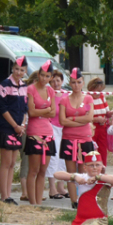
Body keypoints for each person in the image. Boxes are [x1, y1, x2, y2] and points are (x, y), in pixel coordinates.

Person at [54, 151, 113, 225]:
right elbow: (56, 174)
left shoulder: (104, 179)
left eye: (97, 165)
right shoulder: (82, 177)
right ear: (85, 167)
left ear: (102, 166)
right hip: (80, 220)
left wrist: (98, 177)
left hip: (98, 220)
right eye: (91, 165)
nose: (94, 168)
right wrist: (75, 177)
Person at [59, 68, 96, 209]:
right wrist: (80, 121)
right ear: (70, 83)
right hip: (69, 138)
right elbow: (62, 121)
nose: (76, 85)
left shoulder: (88, 98)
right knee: (71, 172)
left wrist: (72, 118)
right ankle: (74, 201)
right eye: (73, 82)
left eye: (78, 82)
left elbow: (89, 117)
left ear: (83, 83)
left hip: (85, 139)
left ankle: (83, 199)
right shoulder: (64, 99)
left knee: (83, 171)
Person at [0, 56, 28, 205]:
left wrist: (22, 125)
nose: (19, 72)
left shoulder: (24, 86)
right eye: (16, 69)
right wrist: (15, 125)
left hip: (18, 129)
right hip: (6, 128)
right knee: (6, 162)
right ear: (12, 69)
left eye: (22, 70)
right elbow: (2, 108)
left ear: (25, 71)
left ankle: (8, 195)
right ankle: (3, 196)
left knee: (13, 162)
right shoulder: (4, 85)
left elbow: (25, 109)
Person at [25, 60, 57, 205]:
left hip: (48, 132)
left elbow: (54, 113)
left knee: (43, 171)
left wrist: (41, 112)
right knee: (33, 170)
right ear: (38, 74)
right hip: (34, 132)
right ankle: (33, 203)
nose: (44, 78)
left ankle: (39, 203)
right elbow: (31, 112)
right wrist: (45, 111)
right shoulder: (31, 89)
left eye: (47, 76)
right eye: (42, 75)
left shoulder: (50, 90)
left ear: (51, 77)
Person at [47, 71, 69, 199]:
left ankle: (61, 186)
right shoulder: (49, 94)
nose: (56, 83)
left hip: (65, 128)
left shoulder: (67, 94)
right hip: (52, 127)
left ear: (62, 81)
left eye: (58, 80)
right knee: (53, 157)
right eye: (53, 81)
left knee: (63, 158)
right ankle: (52, 188)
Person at [87, 78, 112, 166]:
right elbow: (85, 116)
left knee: (103, 151)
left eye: (100, 91)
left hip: (102, 128)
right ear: (91, 88)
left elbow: (107, 112)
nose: (99, 93)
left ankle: (102, 173)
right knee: (92, 151)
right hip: (91, 128)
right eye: (97, 91)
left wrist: (110, 114)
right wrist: (96, 119)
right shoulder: (87, 98)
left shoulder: (102, 96)